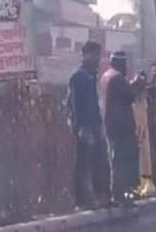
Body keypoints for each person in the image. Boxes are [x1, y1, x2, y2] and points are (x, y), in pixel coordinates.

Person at [68, 41, 109, 208]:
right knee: (84, 164)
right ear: (85, 55)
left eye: (98, 55)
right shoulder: (79, 77)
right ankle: (82, 201)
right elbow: (77, 106)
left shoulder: (92, 76)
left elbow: (95, 104)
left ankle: (100, 196)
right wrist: (82, 128)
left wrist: (99, 126)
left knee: (98, 162)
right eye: (93, 54)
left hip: (95, 125)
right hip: (85, 127)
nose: (97, 58)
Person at [101, 51, 144, 206]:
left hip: (111, 124)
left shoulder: (106, 76)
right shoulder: (117, 78)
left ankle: (119, 193)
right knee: (124, 160)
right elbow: (130, 96)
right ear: (121, 64)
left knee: (117, 158)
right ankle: (122, 194)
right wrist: (137, 83)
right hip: (122, 126)